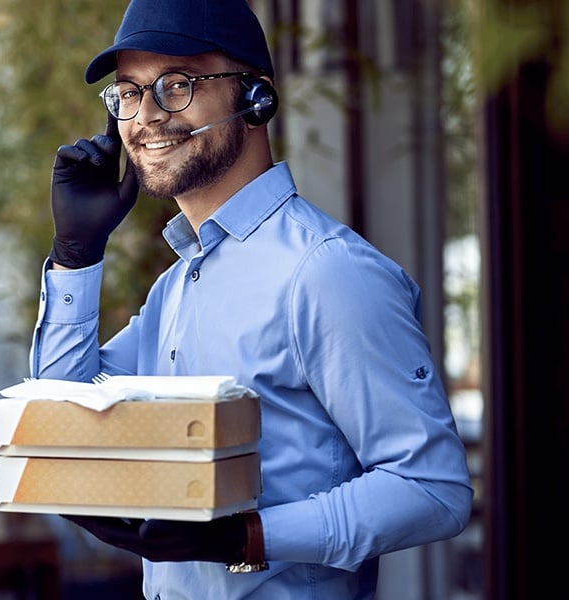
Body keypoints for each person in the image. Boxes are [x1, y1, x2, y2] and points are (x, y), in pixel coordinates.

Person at [31, 0, 473, 598]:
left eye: (177, 85)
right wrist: (75, 255)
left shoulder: (324, 274)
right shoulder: (178, 286)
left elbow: (432, 489)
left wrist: (247, 537)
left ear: (255, 98)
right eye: (129, 93)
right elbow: (64, 425)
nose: (146, 116)